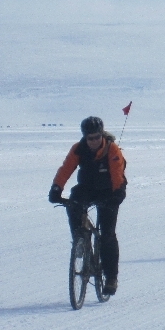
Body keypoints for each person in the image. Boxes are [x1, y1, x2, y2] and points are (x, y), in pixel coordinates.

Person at [49, 116, 127, 295]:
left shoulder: (112, 149)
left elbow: (117, 174)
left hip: (109, 191)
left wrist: (117, 195)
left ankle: (111, 278)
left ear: (102, 135)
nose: (93, 141)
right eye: (89, 138)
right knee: (74, 202)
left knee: (107, 234)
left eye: (96, 137)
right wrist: (56, 188)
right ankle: (80, 240)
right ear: (84, 137)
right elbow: (66, 169)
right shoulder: (78, 149)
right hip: (87, 189)